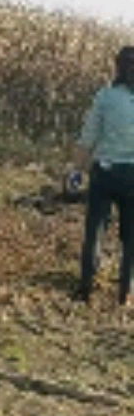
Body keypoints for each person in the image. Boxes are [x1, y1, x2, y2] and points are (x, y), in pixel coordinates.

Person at [73, 46, 134, 308]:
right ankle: (125, 291)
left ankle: (86, 287)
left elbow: (88, 137)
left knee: (95, 231)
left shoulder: (106, 97)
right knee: (130, 238)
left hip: (104, 173)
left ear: (118, 67)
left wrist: (76, 170)